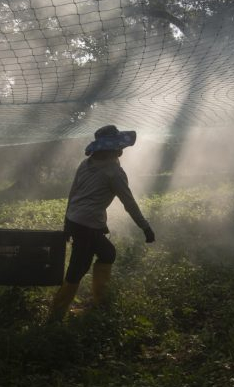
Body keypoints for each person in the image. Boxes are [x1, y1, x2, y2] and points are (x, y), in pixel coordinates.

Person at [49, 125, 155, 322]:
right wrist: (145, 227)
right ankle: (56, 313)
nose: (121, 150)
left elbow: (73, 194)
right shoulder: (114, 172)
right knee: (78, 267)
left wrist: (67, 222)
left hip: (76, 220)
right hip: (87, 225)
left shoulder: (86, 164)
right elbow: (129, 203)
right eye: (118, 146)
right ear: (111, 148)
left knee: (107, 253)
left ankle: (100, 302)